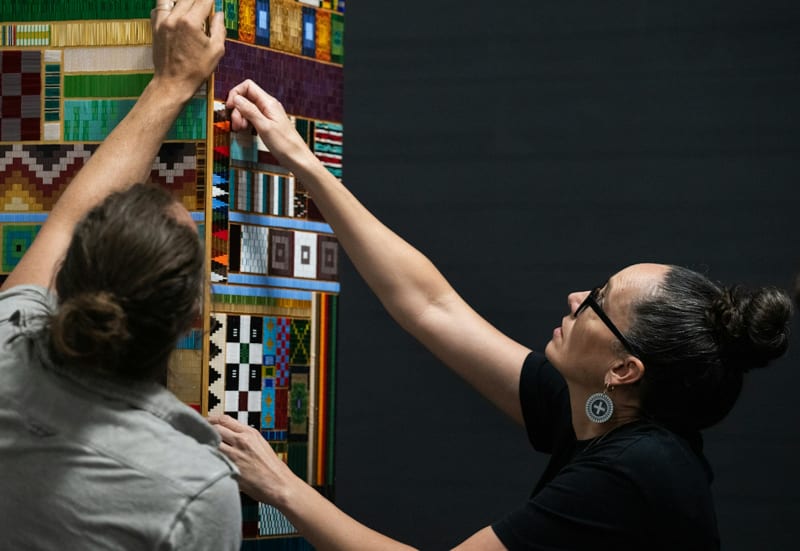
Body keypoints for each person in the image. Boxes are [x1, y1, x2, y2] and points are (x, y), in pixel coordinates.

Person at [209, 80, 793, 550]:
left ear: (623, 369)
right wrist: (303, 161)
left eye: (596, 301)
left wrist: (283, 488)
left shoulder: (636, 473)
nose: (573, 298)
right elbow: (431, 307)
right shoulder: (604, 413)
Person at [0, 2, 239, 549]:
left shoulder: (5, 343)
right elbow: (69, 224)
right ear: (196, 317)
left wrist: (169, 84)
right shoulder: (193, 490)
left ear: (63, 277)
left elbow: (65, 221)